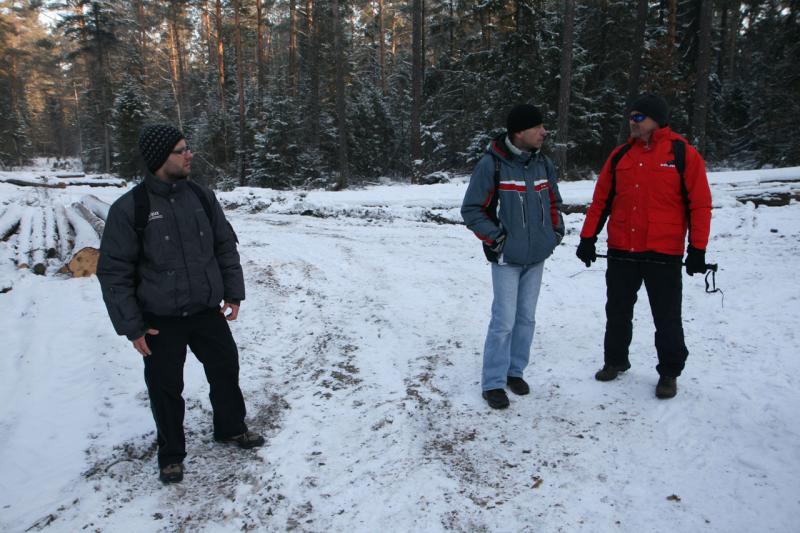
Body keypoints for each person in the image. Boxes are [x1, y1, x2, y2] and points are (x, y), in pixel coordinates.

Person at [96, 124, 264, 484]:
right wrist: (133, 327)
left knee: (225, 369)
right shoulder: (131, 208)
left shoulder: (202, 197)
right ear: (160, 158)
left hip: (206, 311)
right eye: (181, 150)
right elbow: (114, 273)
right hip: (160, 320)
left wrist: (233, 293)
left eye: (188, 148)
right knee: (165, 387)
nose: (190, 155)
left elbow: (224, 246)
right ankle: (171, 454)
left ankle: (231, 428)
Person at [576, 94, 712, 399]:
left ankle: (669, 372)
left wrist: (698, 249)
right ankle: (615, 361)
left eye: (638, 117)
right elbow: (601, 201)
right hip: (622, 249)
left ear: (656, 120)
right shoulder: (620, 155)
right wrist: (588, 238)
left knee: (666, 316)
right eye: (630, 117)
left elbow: (700, 205)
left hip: (663, 253)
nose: (632, 122)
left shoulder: (682, 154)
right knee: (617, 310)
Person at [461, 104, 565, 409]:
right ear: (519, 131)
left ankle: (514, 371)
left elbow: (554, 201)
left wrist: (555, 233)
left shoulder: (542, 163)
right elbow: (472, 210)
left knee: (526, 318)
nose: (544, 131)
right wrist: (498, 240)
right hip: (507, 258)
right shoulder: (491, 165)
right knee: (504, 320)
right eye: (538, 126)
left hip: (537, 256)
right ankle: (493, 382)